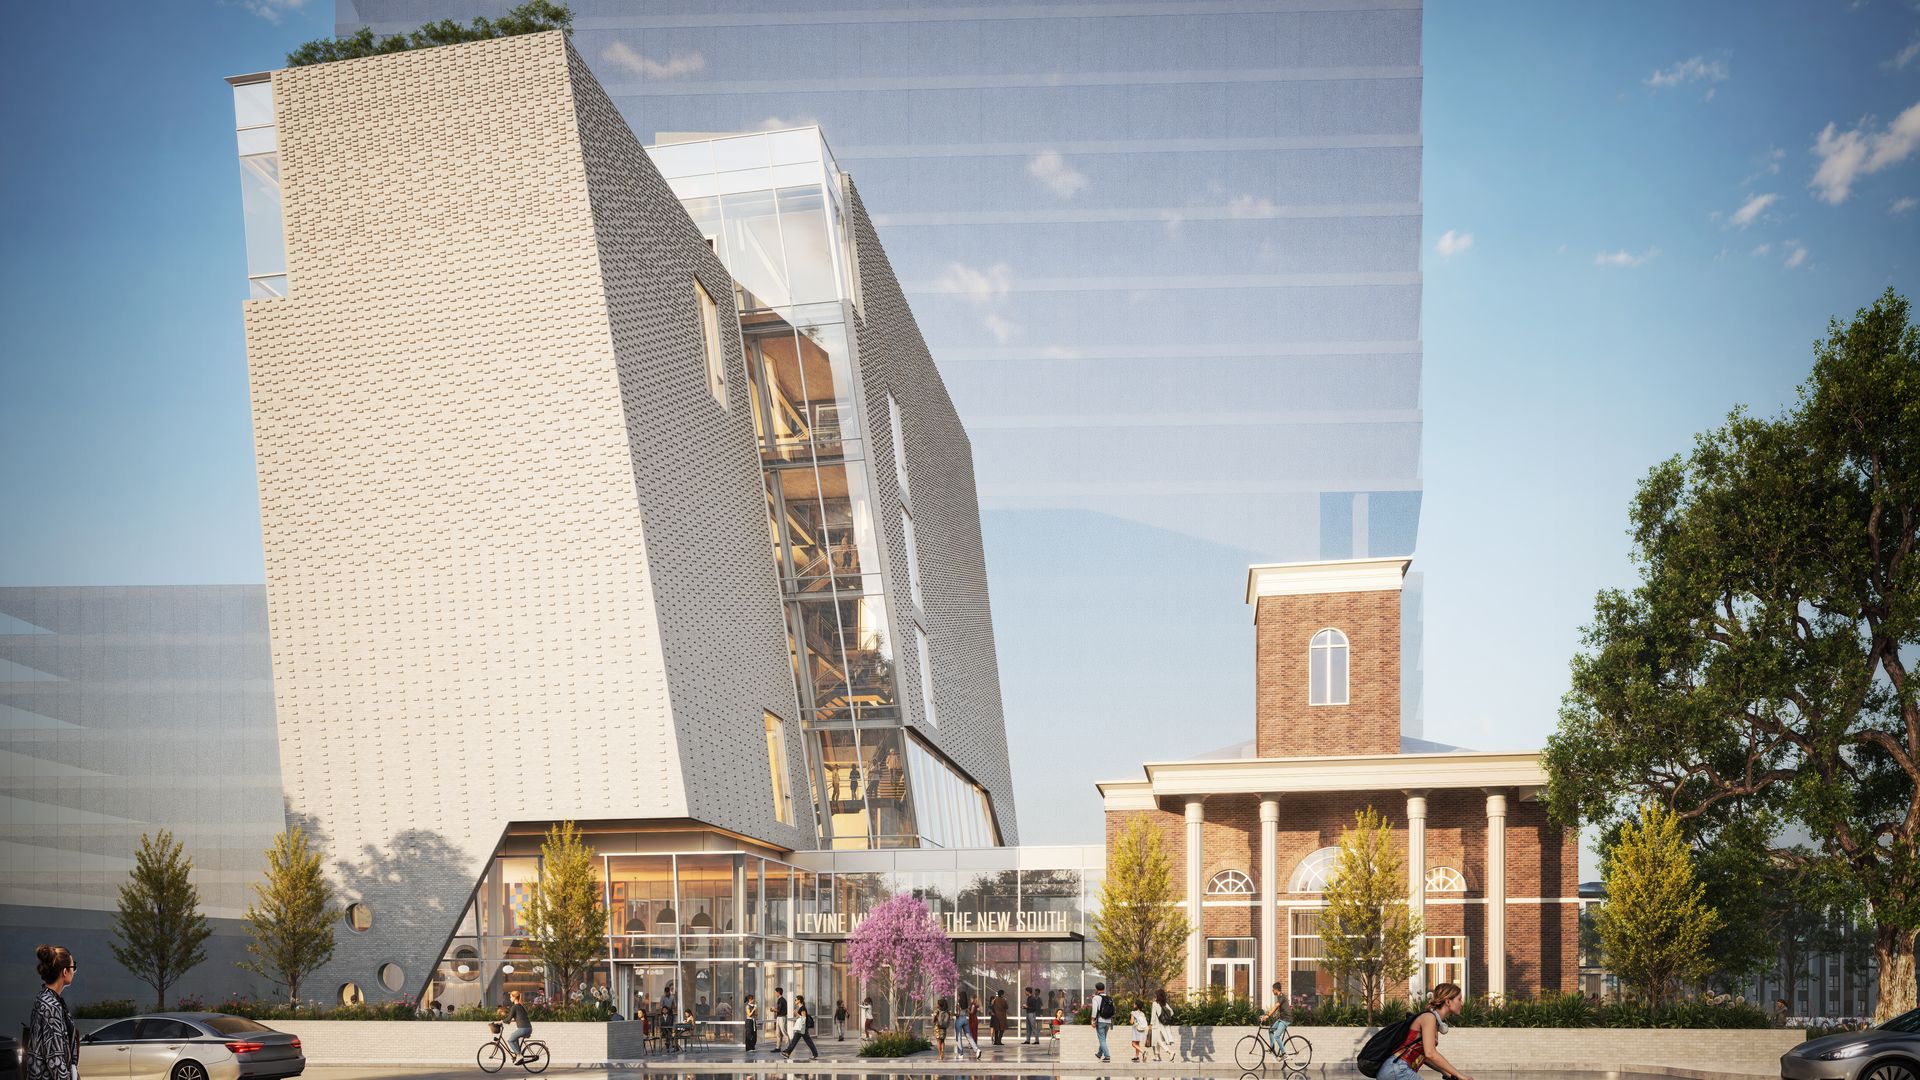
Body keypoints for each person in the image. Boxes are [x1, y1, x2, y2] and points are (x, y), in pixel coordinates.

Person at [1381, 982, 1472, 1080]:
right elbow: (1431, 1053)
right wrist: (1459, 1075)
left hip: (1394, 1069)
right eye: (1459, 999)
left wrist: (1447, 1073)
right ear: (1448, 1001)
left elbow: (1426, 1057)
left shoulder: (1434, 1021)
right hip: (1398, 1068)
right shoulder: (1429, 1018)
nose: (1461, 1003)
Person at [26, 945, 77, 1080]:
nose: (74, 971)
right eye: (73, 967)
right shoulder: (50, 1005)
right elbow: (54, 1058)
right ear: (65, 971)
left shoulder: (46, 999)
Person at [780, 994, 818, 1062]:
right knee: (801, 1041)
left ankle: (787, 1052)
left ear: (799, 1000)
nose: (795, 1001)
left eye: (795, 999)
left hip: (802, 1028)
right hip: (801, 1028)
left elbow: (803, 1018)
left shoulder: (802, 1008)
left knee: (800, 1041)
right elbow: (801, 1017)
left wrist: (797, 1014)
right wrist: (796, 1014)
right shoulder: (801, 1008)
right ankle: (788, 1053)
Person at [502, 990, 533, 1064]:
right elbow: (520, 1018)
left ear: (514, 997)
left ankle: (519, 1055)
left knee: (510, 1040)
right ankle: (518, 1054)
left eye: (510, 997)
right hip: (527, 1028)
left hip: (523, 1029)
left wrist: (500, 1021)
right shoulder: (521, 1006)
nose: (510, 998)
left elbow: (508, 1018)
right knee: (514, 1037)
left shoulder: (514, 1007)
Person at [1088, 981, 1113, 1063]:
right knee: (1103, 1039)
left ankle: (1107, 1056)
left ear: (1096, 989)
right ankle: (1099, 1054)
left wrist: (1092, 1020)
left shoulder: (1096, 998)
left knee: (1102, 1040)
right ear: (1104, 989)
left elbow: (1095, 1010)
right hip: (1108, 1021)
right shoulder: (1109, 998)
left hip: (1100, 1020)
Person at [1261, 981, 1289, 1052]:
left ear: (1276, 990)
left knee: (1276, 1036)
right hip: (1282, 1018)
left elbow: (1276, 1006)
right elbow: (1276, 1008)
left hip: (1286, 1019)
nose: (1272, 991)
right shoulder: (1279, 997)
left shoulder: (1282, 996)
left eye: (1273, 989)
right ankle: (1272, 1048)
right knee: (1271, 1030)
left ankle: (1284, 1054)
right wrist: (1267, 1015)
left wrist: (1267, 1015)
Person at [952, 993, 982, 1060]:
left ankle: (961, 1053)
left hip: (959, 1020)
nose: (958, 997)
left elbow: (958, 1013)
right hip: (965, 1020)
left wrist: (952, 1014)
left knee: (959, 1037)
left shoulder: (958, 1004)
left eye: (958, 996)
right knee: (969, 1036)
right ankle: (977, 1050)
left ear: (960, 997)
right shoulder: (966, 1004)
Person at [1151, 988, 1177, 1061]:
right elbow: (1172, 1012)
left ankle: (1170, 1052)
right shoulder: (1165, 1003)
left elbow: (1153, 1016)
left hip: (1157, 1025)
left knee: (1158, 1040)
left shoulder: (1155, 1003)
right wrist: (1165, 1017)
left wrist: (1151, 1024)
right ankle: (1157, 1056)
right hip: (1164, 1025)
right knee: (1158, 1040)